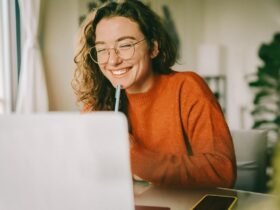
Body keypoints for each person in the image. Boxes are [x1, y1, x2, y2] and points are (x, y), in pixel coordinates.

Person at [72, 0, 236, 188]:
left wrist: (137, 159)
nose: (113, 60)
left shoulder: (187, 88)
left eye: (125, 45)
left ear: (153, 48)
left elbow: (223, 171)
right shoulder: (98, 105)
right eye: (102, 50)